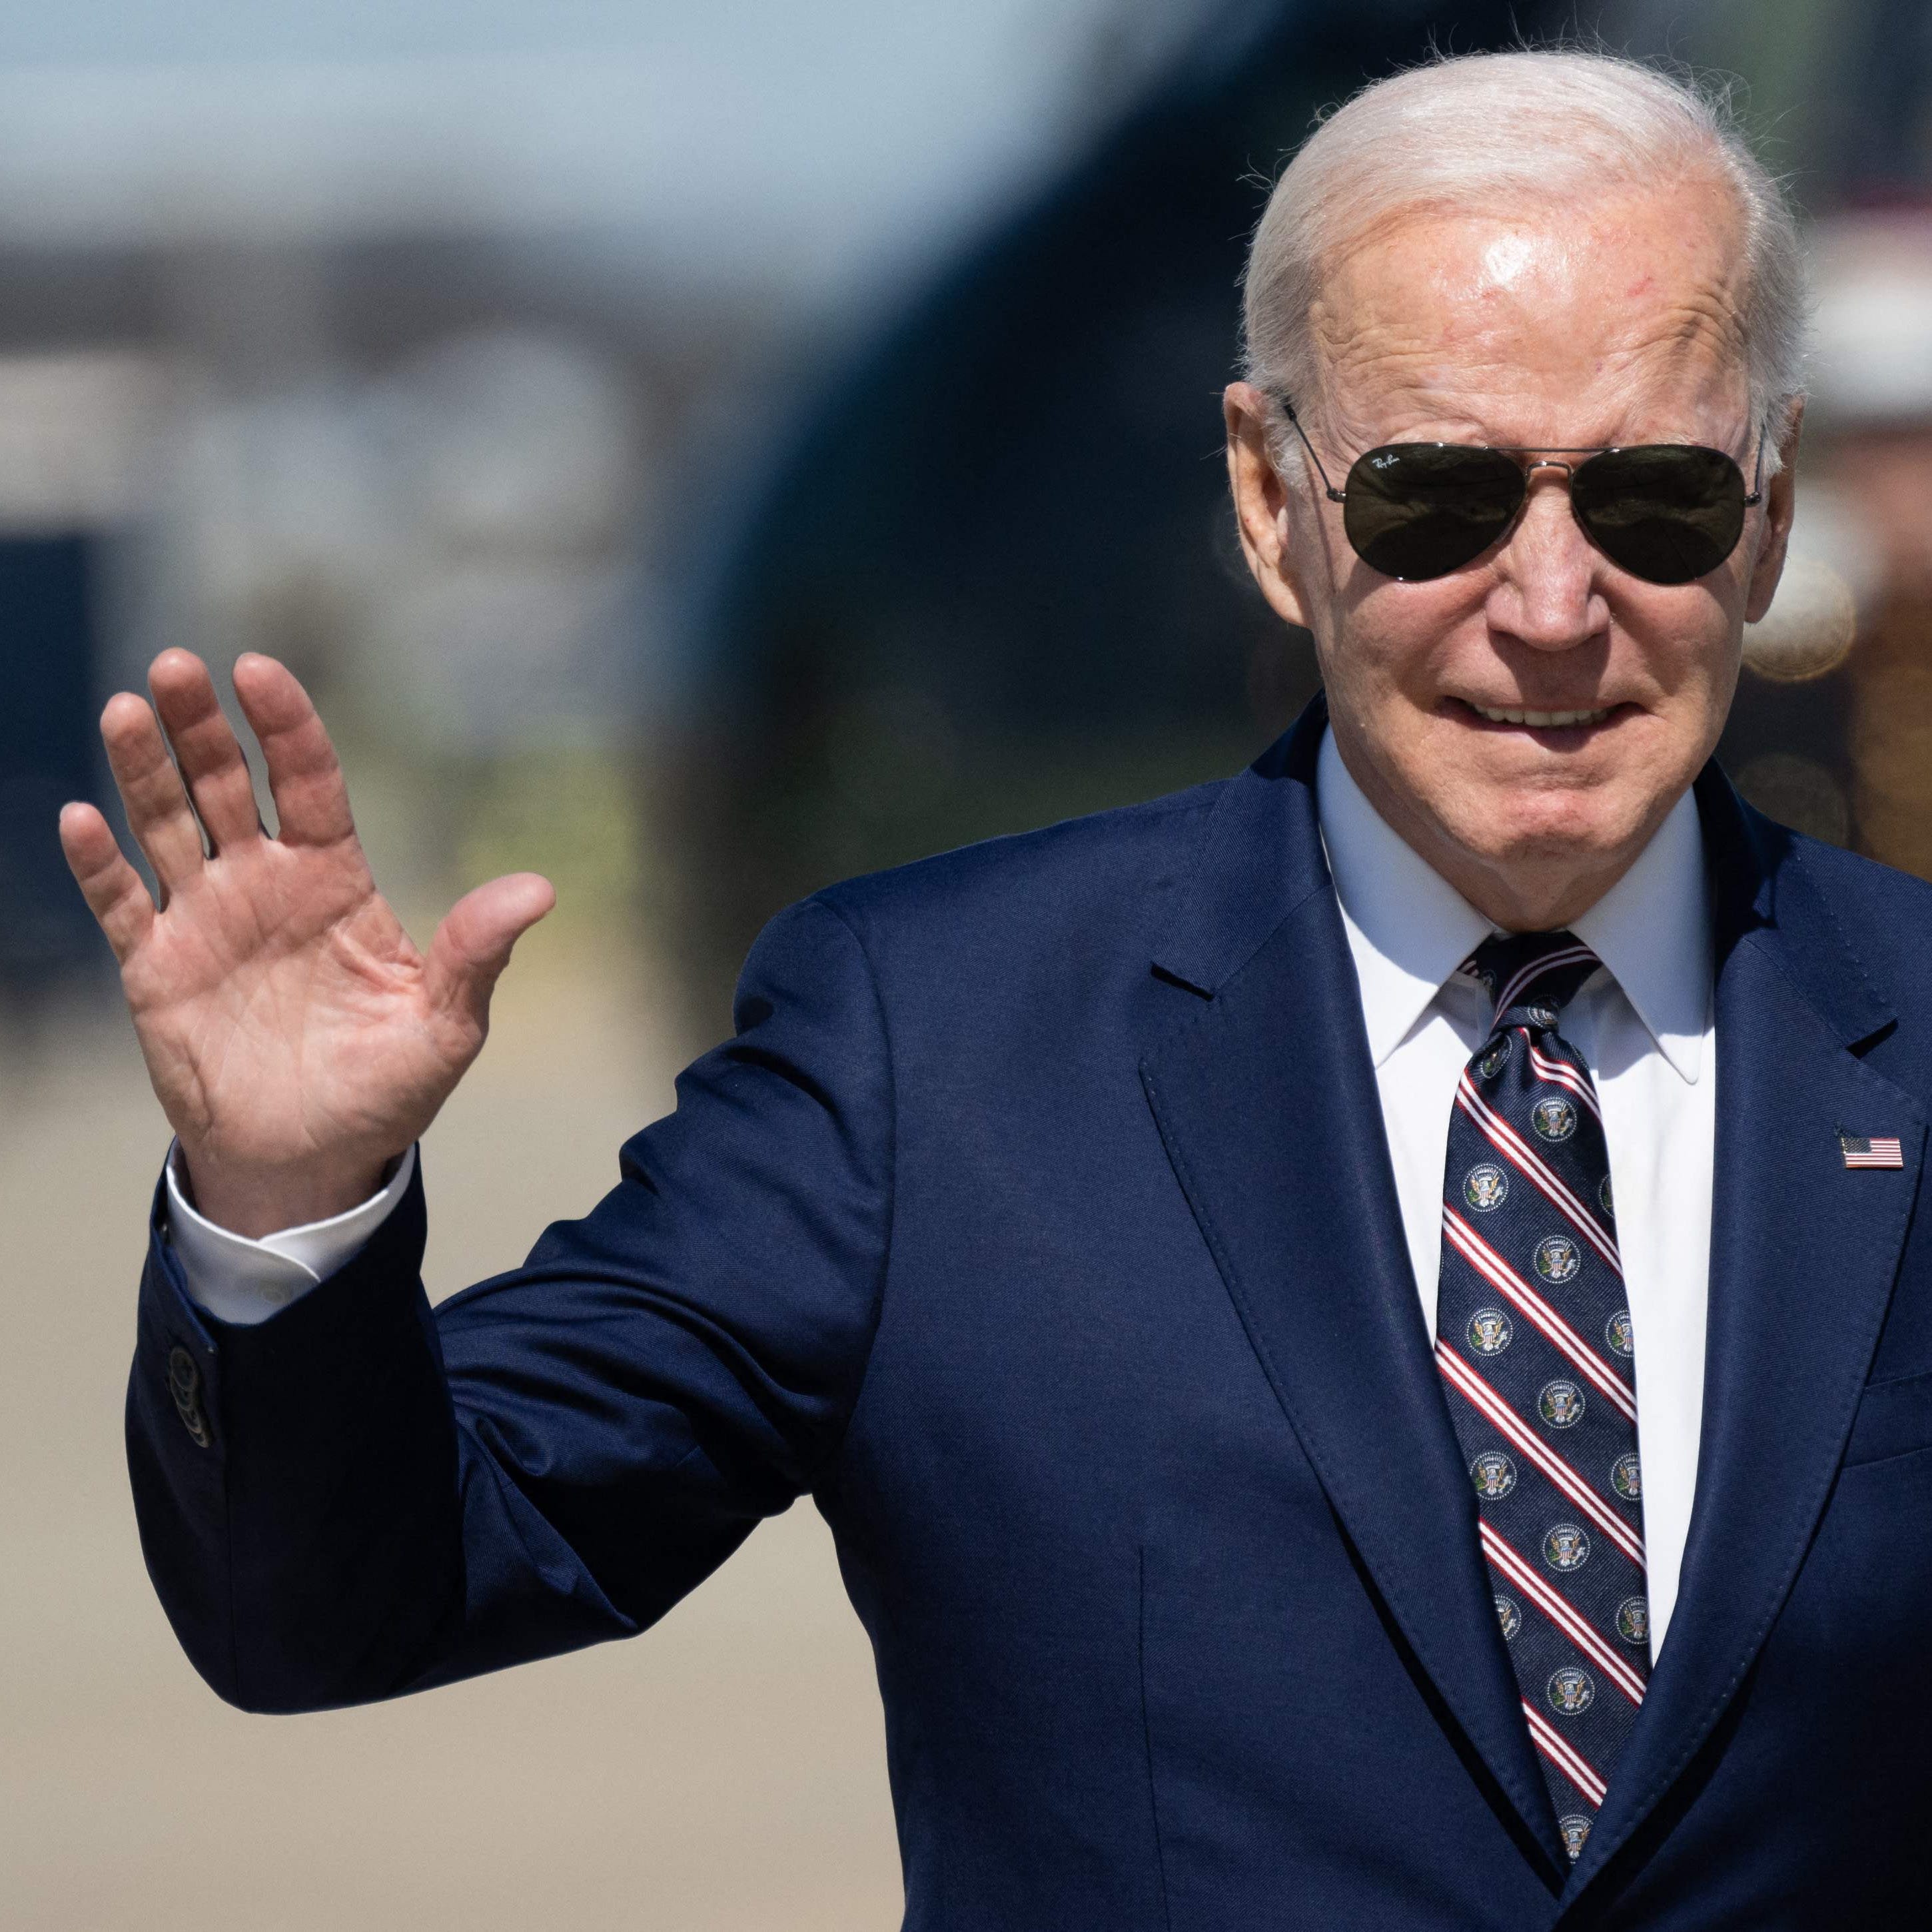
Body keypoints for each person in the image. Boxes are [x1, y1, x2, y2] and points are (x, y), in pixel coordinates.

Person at [59, 49, 1932, 1928]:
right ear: (1270, 502)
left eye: (1656, 497)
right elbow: (346, 1595)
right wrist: (286, 1209)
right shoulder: (929, 1046)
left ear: (1765, 514)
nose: (1546, 600)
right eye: (1435, 497)